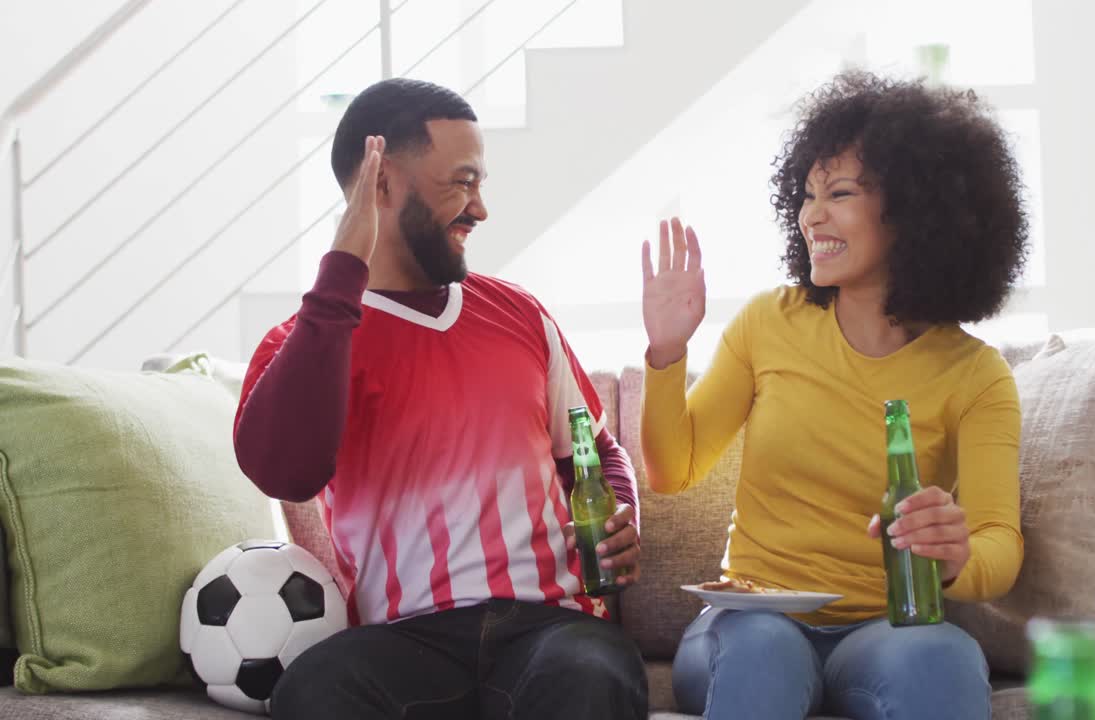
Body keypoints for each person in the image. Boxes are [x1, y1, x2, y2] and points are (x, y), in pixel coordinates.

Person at [233, 78, 647, 720]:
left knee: (594, 680)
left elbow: (596, 450)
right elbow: (284, 470)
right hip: (405, 642)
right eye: (462, 181)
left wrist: (622, 512)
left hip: (551, 630)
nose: (479, 208)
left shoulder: (521, 314)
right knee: (312, 696)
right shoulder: (304, 341)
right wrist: (343, 267)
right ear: (383, 184)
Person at [639, 69, 1029, 719]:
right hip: (746, 623)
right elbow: (670, 469)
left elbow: (1000, 545)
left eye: (839, 193)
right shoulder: (770, 322)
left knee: (945, 656)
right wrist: (667, 352)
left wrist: (958, 556)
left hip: (884, 630)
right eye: (808, 194)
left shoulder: (977, 376)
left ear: (914, 210)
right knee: (765, 652)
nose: (810, 215)